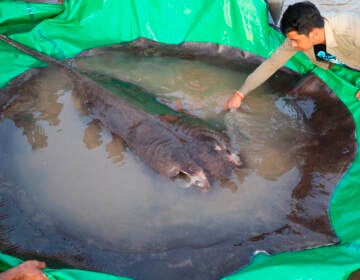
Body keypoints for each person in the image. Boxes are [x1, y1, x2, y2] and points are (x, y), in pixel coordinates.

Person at [226, 1, 360, 109]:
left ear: (314, 34)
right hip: (338, 64)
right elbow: (271, 64)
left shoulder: (349, 28)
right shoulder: (297, 38)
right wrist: (240, 94)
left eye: (295, 40)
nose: (293, 45)